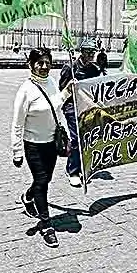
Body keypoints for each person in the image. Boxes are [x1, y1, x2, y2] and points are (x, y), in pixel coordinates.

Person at [11, 47, 67, 249]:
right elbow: (17, 123)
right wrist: (17, 151)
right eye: (39, 63)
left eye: (47, 62)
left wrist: (71, 89)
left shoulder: (51, 82)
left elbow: (58, 103)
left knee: (45, 179)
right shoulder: (25, 90)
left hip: (51, 142)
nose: (44, 67)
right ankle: (46, 224)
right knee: (42, 181)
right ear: (31, 64)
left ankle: (27, 197)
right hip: (33, 144)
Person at [58, 38, 101, 188]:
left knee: (86, 138)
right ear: (82, 52)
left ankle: (82, 164)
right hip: (71, 107)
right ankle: (73, 171)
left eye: (93, 52)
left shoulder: (94, 69)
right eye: (88, 52)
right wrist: (71, 86)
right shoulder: (69, 68)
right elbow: (61, 90)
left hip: (87, 107)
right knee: (76, 138)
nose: (91, 55)